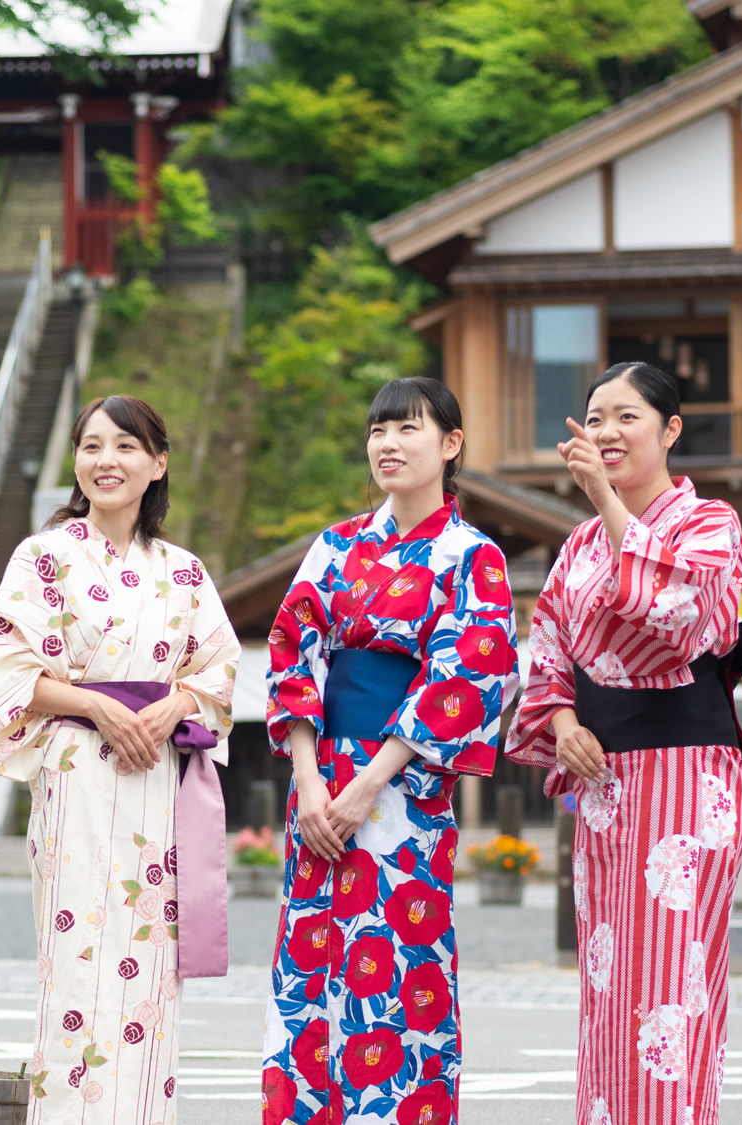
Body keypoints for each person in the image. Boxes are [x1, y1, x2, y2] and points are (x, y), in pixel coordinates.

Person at [0, 394, 240, 1123]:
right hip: (79, 774)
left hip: (155, 782)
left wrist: (178, 703)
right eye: (91, 446)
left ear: (157, 463)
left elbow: (221, 672)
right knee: (78, 959)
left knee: (148, 965)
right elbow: (0, 664)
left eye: (125, 446)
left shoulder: (182, 572)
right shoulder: (44, 556)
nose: (105, 460)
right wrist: (93, 703)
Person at [261, 377, 514, 1125]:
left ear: (451, 444)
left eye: (408, 428)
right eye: (378, 430)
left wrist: (369, 783)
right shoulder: (335, 545)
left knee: (398, 964)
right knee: (309, 966)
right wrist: (308, 779)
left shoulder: (475, 557)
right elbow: (291, 651)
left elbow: (465, 673)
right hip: (319, 784)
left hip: (403, 788)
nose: (388, 444)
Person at [508, 361, 742, 1125]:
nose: (607, 432)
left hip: (686, 772)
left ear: (670, 429)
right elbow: (546, 652)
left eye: (627, 418)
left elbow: (679, 620)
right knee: (609, 982)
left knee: (671, 983)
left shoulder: (711, 522)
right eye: (596, 417)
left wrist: (609, 502)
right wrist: (564, 723)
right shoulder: (577, 545)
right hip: (605, 784)